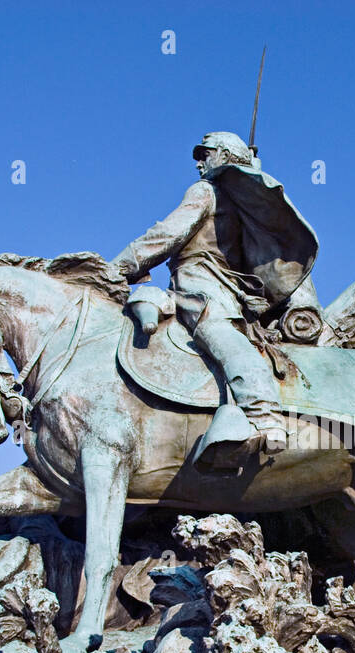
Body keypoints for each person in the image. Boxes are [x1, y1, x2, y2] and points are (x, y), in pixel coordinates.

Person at [102, 132, 318, 457]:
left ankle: (264, 416)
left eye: (207, 154)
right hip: (206, 287)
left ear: (224, 156)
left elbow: (168, 233)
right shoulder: (238, 201)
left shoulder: (206, 191)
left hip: (201, 287)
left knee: (222, 337)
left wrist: (118, 267)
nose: (199, 162)